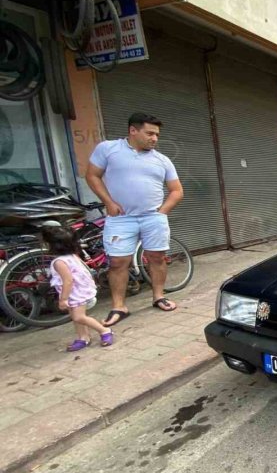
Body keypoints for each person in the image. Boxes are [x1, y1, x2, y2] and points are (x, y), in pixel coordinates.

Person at [86, 113, 185, 326]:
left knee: (157, 257)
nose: (155, 139)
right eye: (150, 133)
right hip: (121, 218)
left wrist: (162, 212)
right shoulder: (108, 149)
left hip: (153, 218)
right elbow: (92, 175)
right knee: (118, 262)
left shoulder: (162, 160)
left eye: (157, 134)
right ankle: (119, 306)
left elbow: (177, 191)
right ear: (133, 130)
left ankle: (159, 296)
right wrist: (108, 202)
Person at [42, 226, 114, 352]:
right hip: (79, 291)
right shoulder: (73, 256)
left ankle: (104, 330)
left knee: (78, 317)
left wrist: (63, 299)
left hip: (76, 294)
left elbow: (68, 281)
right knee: (75, 316)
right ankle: (83, 337)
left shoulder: (59, 262)